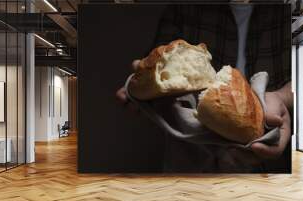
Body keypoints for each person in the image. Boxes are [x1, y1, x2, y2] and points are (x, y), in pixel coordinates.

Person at [116, 4, 293, 172]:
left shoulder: (293, 9)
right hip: (190, 167)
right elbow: (153, 61)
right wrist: (144, 86)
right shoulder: (184, 6)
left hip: (271, 168)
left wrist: (283, 97)